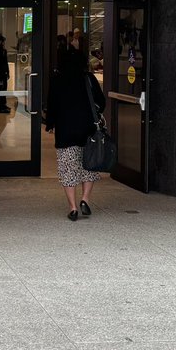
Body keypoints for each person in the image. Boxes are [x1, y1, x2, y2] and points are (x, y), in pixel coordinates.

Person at [44, 46, 106, 221]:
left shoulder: (57, 79)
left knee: (68, 168)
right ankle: (85, 199)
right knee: (89, 165)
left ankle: (72, 208)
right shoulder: (88, 78)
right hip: (88, 131)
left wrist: (50, 124)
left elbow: (52, 104)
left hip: (65, 131)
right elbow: (101, 102)